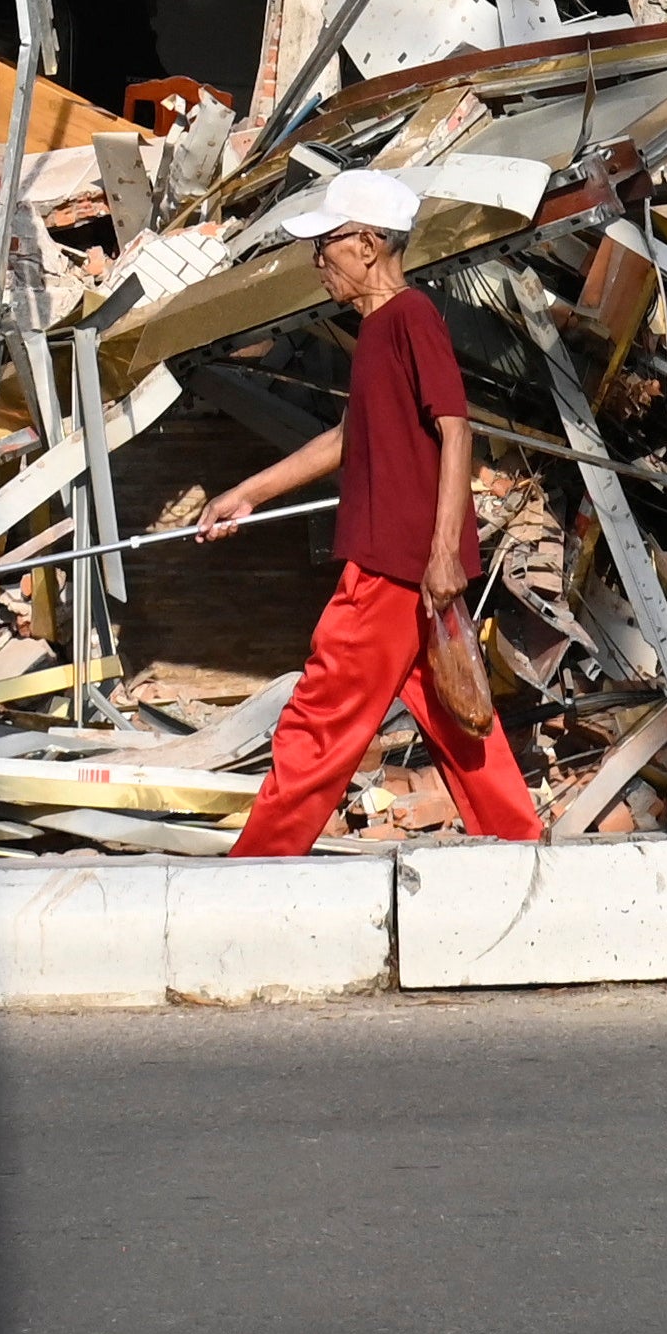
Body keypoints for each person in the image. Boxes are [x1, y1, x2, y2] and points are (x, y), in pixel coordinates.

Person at [198, 169, 544, 856]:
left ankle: (255, 866)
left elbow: (456, 427)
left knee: (319, 718)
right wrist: (248, 492)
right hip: (410, 564)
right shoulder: (380, 328)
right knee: (457, 712)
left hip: (396, 564)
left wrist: (444, 550)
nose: (316, 262)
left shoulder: (408, 316)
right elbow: (345, 436)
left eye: (323, 246)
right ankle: (519, 844)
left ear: (364, 242)